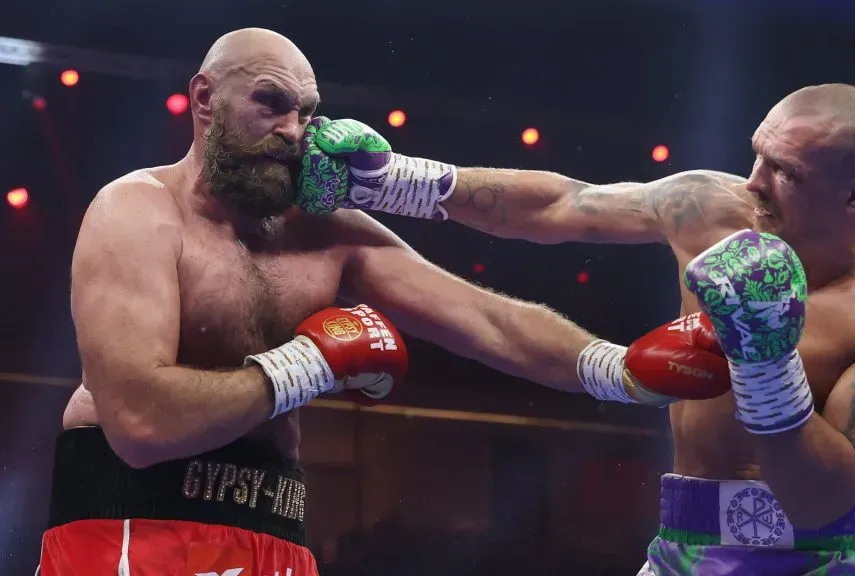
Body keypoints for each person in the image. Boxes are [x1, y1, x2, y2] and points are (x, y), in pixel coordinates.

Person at [40, 28, 710, 576]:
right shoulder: (138, 211)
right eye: (271, 103)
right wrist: (308, 364)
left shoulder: (326, 233)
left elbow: (487, 319)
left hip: (276, 535)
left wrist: (617, 369)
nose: (293, 130)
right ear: (205, 98)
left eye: (307, 112)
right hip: (131, 528)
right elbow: (139, 426)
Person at [303, 83, 855, 574]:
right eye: (757, 157)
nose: (753, 184)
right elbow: (562, 205)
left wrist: (766, 359)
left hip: (841, 557)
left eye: (785, 173)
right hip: (691, 545)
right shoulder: (711, 207)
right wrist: (392, 183)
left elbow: (818, 499)